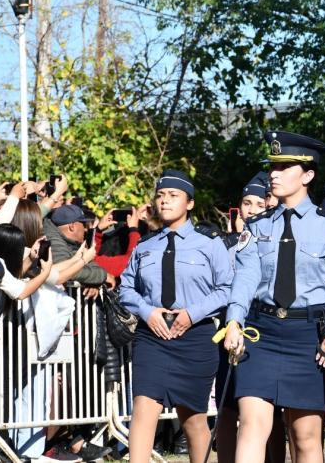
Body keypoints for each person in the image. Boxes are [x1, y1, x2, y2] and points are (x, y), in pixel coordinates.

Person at [223, 131, 325, 463]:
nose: (273, 173)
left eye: (285, 166)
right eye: (273, 166)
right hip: (260, 332)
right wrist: (233, 321)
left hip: (308, 336)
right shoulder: (256, 226)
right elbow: (245, 277)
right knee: (252, 427)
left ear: (308, 175)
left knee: (304, 437)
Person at [119, 170, 234, 463]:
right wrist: (148, 311)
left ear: (190, 203)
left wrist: (192, 314)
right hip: (151, 336)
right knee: (144, 408)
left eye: (173, 196)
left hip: (195, 338)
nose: (165, 201)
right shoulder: (145, 246)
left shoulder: (210, 243)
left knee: (193, 419)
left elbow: (226, 289)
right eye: (160, 195)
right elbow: (126, 289)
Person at [215, 172, 287, 463]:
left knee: (270, 412)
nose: (252, 209)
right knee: (228, 406)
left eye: (259, 203)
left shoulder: (274, 236)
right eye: (246, 203)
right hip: (231, 329)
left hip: (262, 329)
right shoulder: (223, 242)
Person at [44, 204, 115, 297]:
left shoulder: (68, 240)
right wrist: (103, 276)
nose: (86, 229)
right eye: (83, 224)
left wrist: (93, 281)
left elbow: (89, 264)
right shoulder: (53, 241)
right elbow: (67, 271)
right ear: (72, 226)